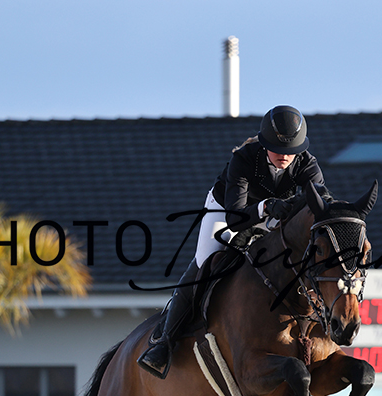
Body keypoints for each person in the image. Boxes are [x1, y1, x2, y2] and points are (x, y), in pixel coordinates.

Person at [138, 105, 329, 378]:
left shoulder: (307, 164)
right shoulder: (244, 159)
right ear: (265, 143)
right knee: (206, 263)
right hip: (227, 211)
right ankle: (164, 342)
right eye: (278, 148)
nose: (285, 156)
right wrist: (266, 207)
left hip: (274, 215)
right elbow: (235, 216)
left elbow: (320, 204)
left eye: (292, 150)